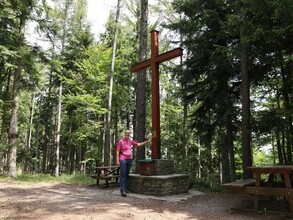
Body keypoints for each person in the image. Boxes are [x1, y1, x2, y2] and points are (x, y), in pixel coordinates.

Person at [116, 129, 151, 197]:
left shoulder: (130, 141)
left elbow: (138, 144)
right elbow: (117, 151)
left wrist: (146, 142)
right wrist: (117, 161)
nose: (127, 135)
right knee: (123, 174)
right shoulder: (121, 141)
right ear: (124, 133)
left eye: (129, 134)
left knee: (126, 174)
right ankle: (123, 190)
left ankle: (124, 189)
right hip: (122, 159)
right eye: (126, 133)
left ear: (130, 134)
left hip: (129, 159)